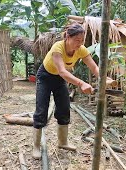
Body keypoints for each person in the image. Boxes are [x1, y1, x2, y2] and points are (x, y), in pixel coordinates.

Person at [32, 23, 111, 159]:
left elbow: (94, 67)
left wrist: (104, 78)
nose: (79, 44)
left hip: (59, 79)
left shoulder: (81, 50)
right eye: (76, 40)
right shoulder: (58, 47)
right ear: (68, 37)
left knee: (64, 108)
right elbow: (62, 71)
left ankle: (62, 142)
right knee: (41, 111)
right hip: (45, 76)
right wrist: (81, 83)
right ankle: (36, 146)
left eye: (81, 41)